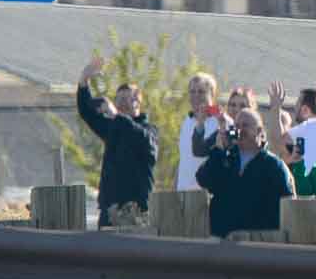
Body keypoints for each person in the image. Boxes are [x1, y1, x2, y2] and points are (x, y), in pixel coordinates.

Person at [75, 54, 159, 228]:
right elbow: (87, 112)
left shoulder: (149, 130)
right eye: (117, 99)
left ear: (137, 101)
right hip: (109, 209)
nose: (119, 104)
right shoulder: (113, 127)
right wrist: (84, 82)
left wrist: (116, 116)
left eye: (124, 99)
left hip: (135, 212)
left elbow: (143, 141)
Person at [196, 108, 296, 239]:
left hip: (256, 245)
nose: (240, 130)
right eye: (237, 126)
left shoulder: (274, 165)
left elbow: (287, 207)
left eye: (246, 125)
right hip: (221, 242)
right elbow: (203, 179)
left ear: (259, 131)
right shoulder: (224, 157)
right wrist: (219, 149)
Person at [176, 71, 218, 192]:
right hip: (183, 192)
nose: (196, 96)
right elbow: (183, 159)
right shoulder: (187, 121)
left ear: (212, 94)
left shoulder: (220, 121)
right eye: (192, 92)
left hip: (206, 193)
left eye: (201, 91)